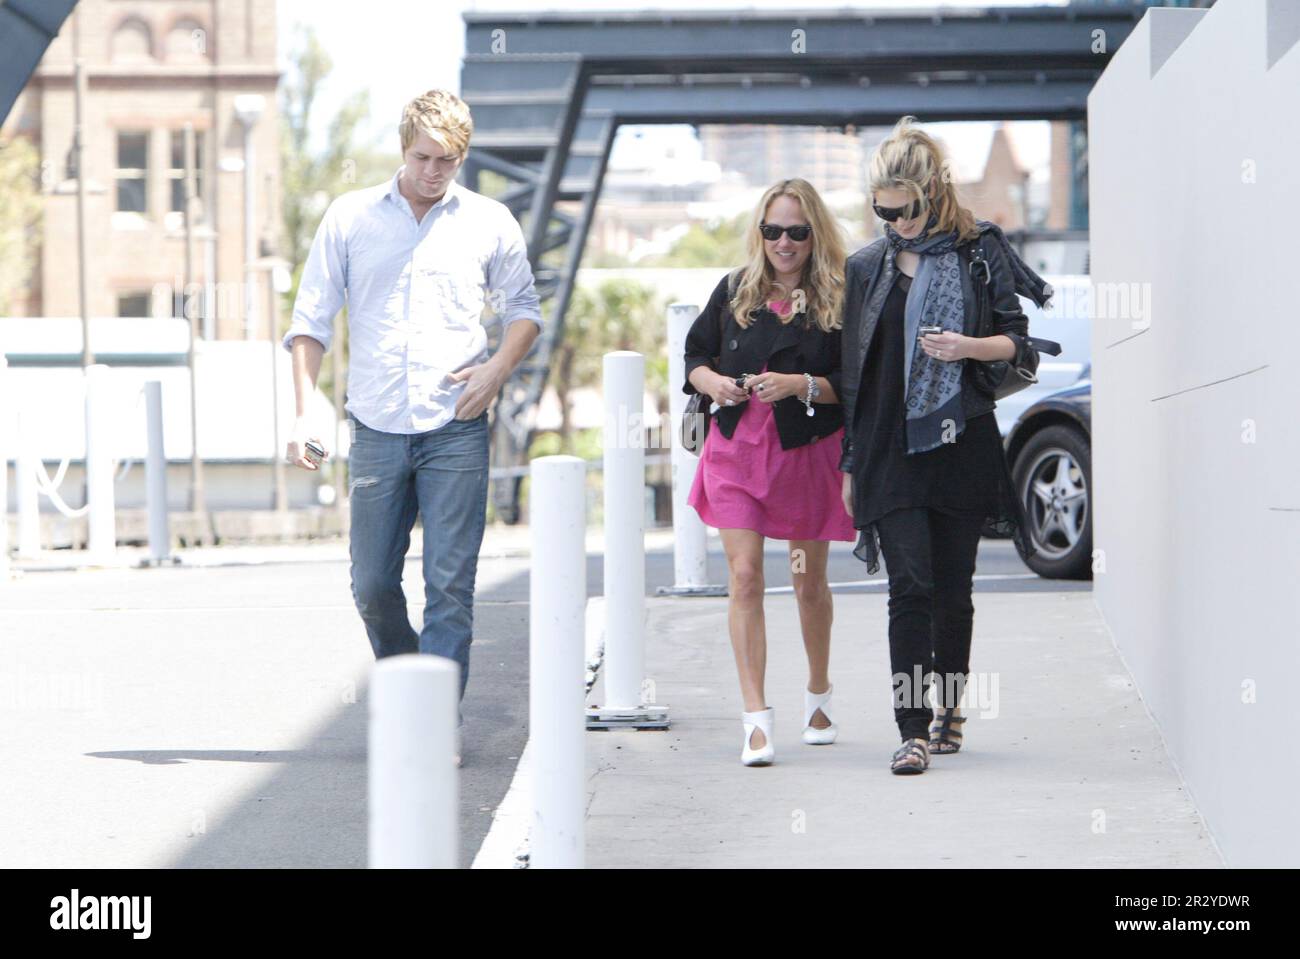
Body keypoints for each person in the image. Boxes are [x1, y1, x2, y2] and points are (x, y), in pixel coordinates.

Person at [283, 90, 542, 764]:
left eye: (449, 161)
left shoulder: (488, 221)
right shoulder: (350, 218)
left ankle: (431, 722)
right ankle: (411, 689)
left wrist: (494, 371)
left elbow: (524, 312)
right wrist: (305, 409)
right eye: (425, 157)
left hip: (456, 424)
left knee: (450, 583)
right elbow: (310, 320)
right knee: (371, 583)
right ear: (404, 148)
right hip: (374, 425)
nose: (435, 171)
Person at [838, 116, 1042, 775]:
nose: (891, 220)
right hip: (888, 447)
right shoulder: (866, 267)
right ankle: (912, 728)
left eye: (901, 208)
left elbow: (1019, 342)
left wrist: (966, 347)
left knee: (954, 590)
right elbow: (853, 375)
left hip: (960, 438)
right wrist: (848, 460)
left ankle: (950, 705)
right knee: (910, 588)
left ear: (930, 193)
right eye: (880, 209)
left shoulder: (979, 252)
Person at [683, 178, 854, 766]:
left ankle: (818, 689)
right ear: (760, 233)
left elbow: (855, 385)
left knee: (807, 580)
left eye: (797, 232)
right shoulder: (734, 290)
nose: (784, 242)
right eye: (773, 230)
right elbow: (694, 357)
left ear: (815, 235)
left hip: (804, 456)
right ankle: (756, 719)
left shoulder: (840, 296)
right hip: (736, 451)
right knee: (746, 576)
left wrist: (798, 385)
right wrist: (714, 383)